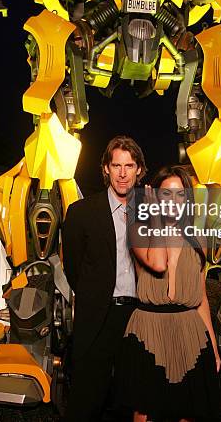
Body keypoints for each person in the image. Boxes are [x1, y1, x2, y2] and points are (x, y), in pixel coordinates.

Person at [116, 165, 221, 422]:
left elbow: (201, 299)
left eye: (180, 194)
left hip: (189, 332)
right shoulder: (140, 231)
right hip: (149, 331)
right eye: (165, 195)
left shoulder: (198, 239)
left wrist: (215, 349)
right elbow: (158, 262)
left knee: (189, 412)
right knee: (144, 413)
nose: (173, 202)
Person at [61, 135, 147, 422]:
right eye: (117, 165)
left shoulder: (150, 211)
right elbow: (73, 268)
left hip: (139, 316)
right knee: (87, 399)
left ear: (139, 170)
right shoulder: (81, 212)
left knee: (131, 398)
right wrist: (92, 296)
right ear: (106, 169)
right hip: (98, 314)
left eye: (130, 165)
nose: (123, 173)